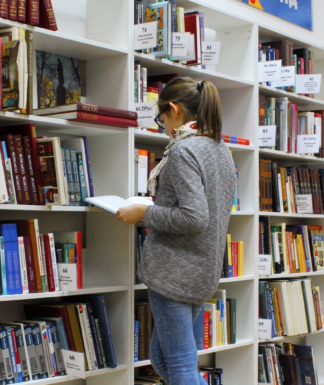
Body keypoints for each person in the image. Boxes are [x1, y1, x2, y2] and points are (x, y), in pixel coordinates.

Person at [116, 77, 236, 384]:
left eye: (161, 118)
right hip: (202, 271)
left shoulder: (184, 151)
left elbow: (195, 217)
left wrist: (144, 212)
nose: (162, 125)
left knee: (181, 365)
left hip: (174, 272)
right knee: (162, 357)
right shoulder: (220, 148)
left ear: (174, 109)